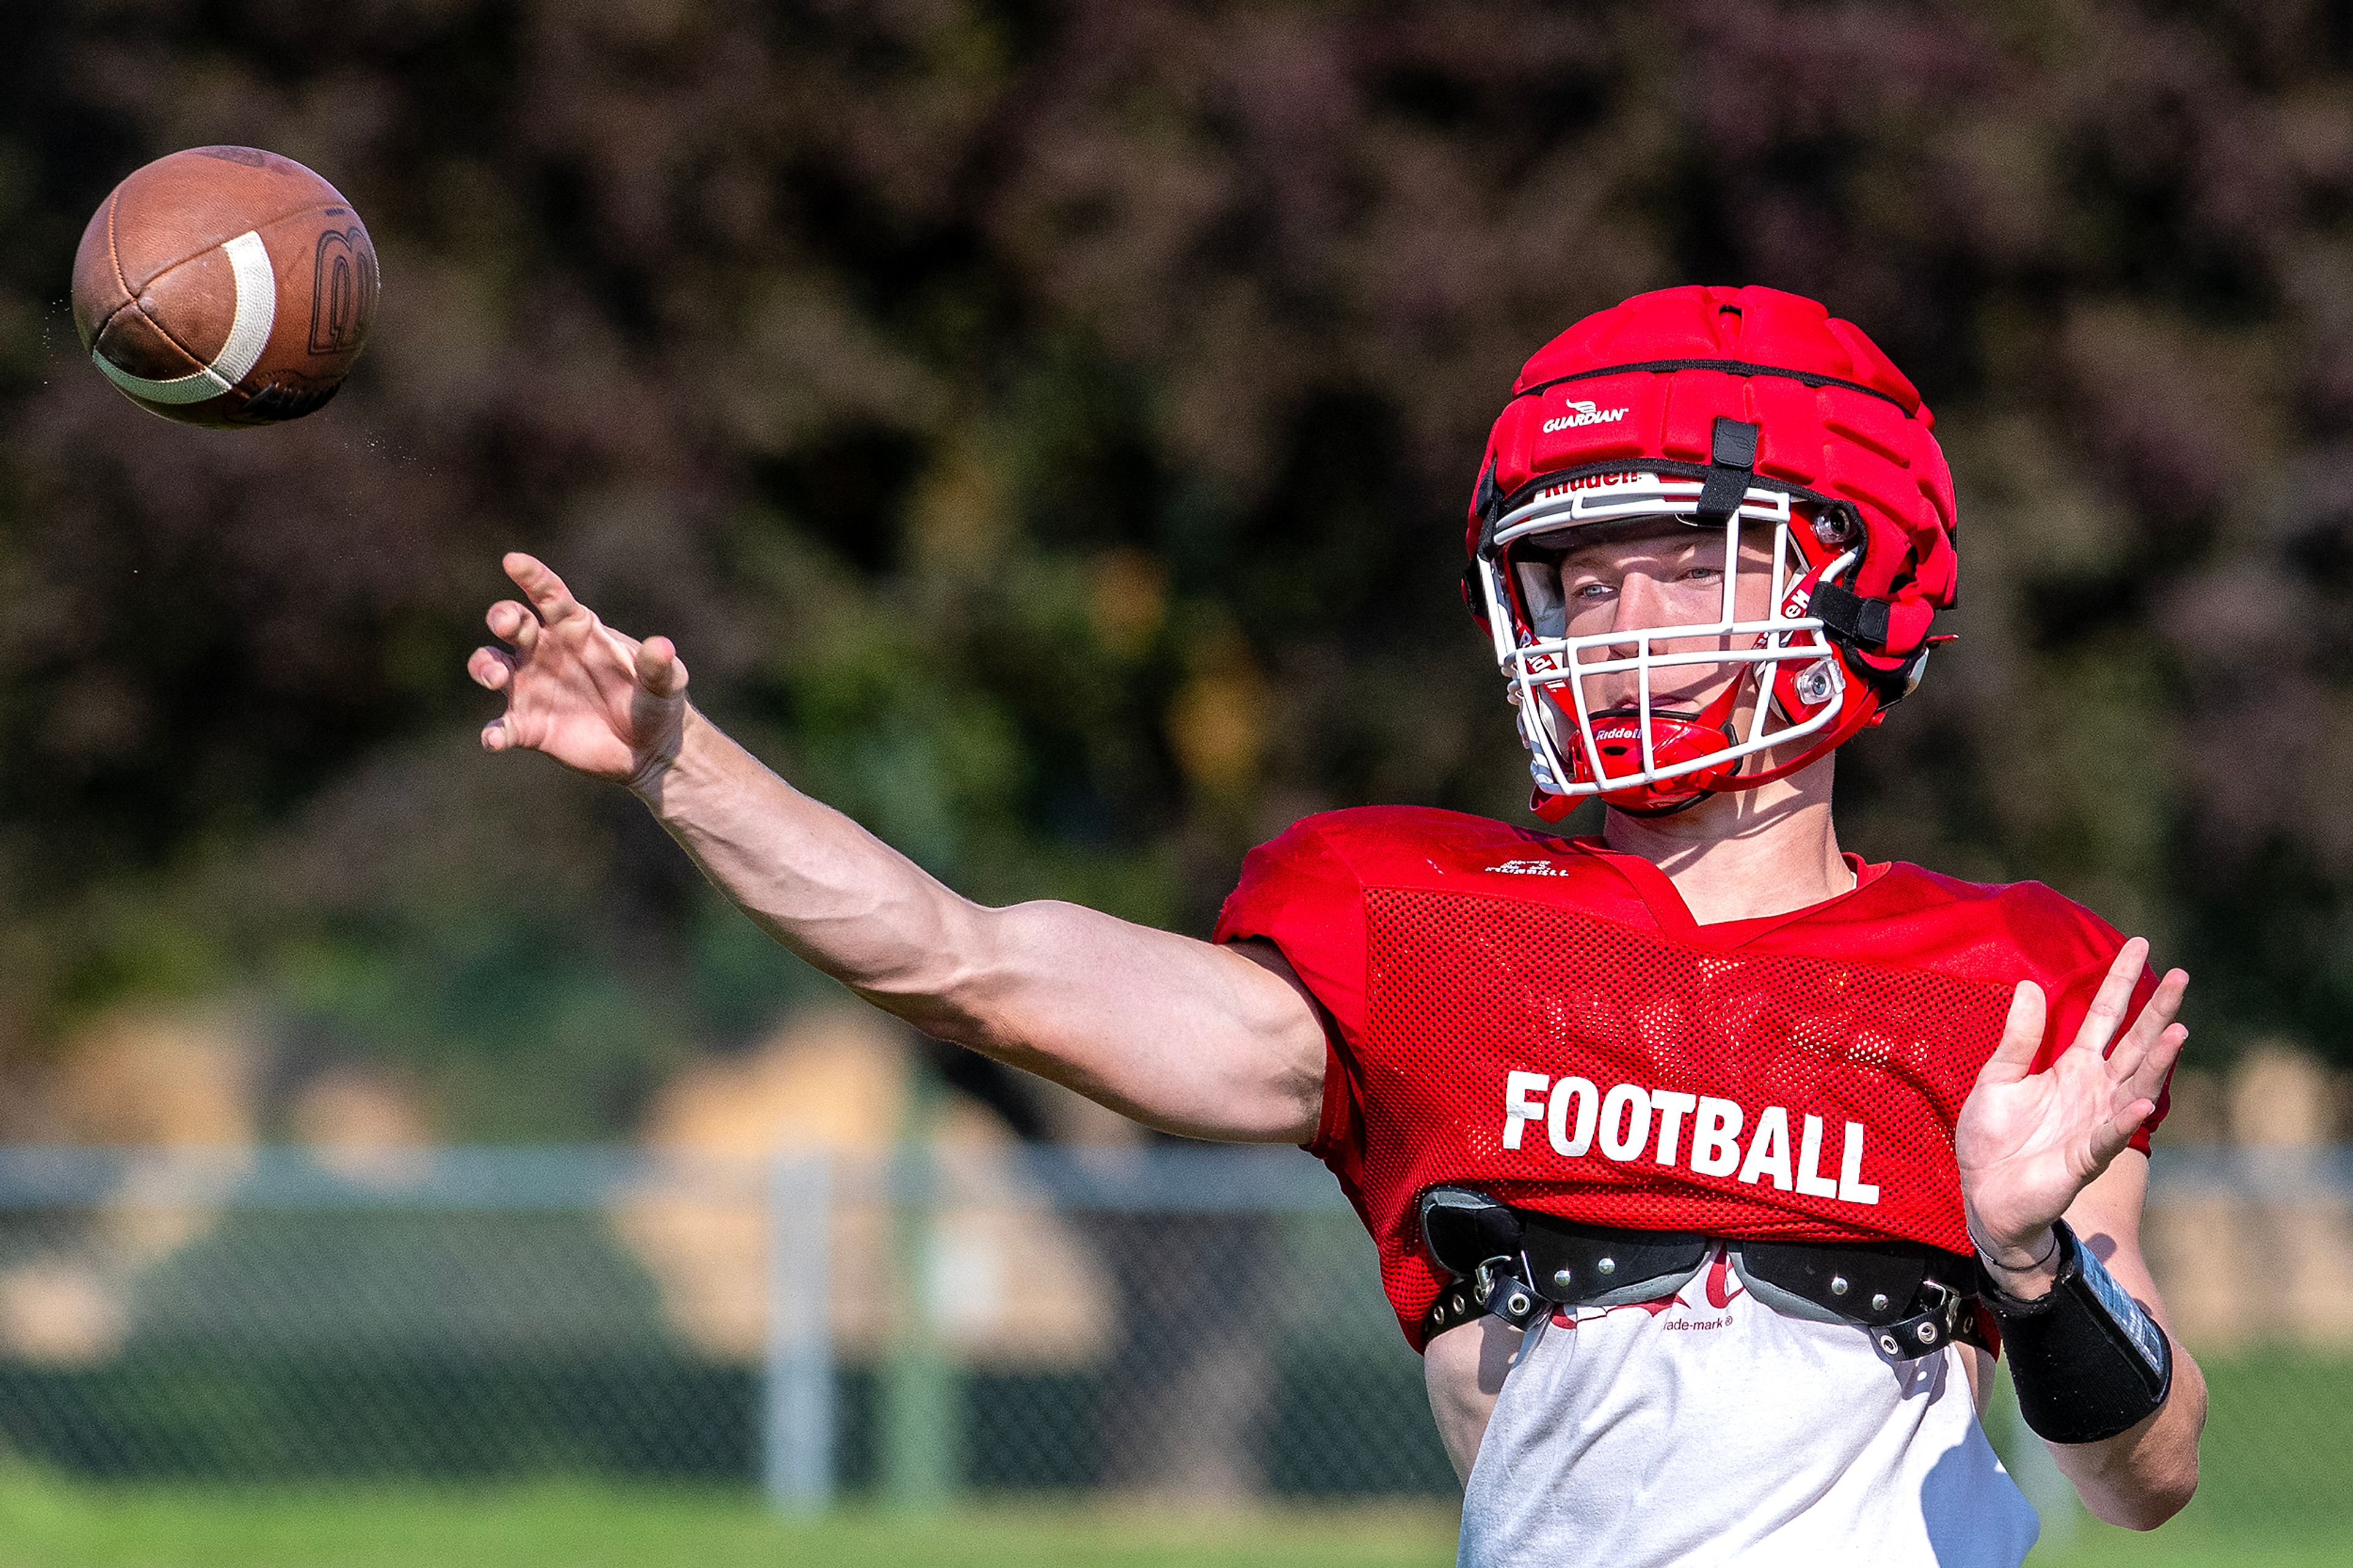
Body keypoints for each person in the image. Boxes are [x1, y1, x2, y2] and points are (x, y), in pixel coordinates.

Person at [466, 284, 2203, 1564]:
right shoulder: (1431, 934)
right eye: (1571, 574)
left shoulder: (2007, 985)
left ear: (1850, 565)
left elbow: (2150, 1471)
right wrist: (682, 769)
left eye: (1674, 557)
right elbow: (964, 959)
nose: (1608, 607)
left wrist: (2032, 1260)